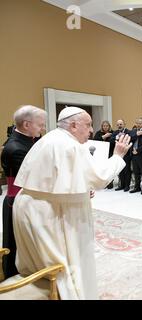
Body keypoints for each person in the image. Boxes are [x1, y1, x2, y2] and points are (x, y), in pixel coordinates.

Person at [12, 106, 131, 299]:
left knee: (41, 261)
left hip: (30, 207)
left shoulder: (50, 138)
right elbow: (100, 177)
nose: (92, 130)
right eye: (88, 125)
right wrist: (118, 156)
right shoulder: (70, 145)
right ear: (74, 125)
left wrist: (81, 188)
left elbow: (66, 179)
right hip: (50, 212)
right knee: (65, 263)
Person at [1, 105, 46, 279]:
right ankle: (13, 278)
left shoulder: (29, 141)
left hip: (30, 199)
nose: (43, 128)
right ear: (27, 125)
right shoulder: (15, 148)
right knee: (16, 244)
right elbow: (39, 178)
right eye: (40, 124)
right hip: (18, 202)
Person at [129, 118, 142, 194]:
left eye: (140, 123)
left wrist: (137, 151)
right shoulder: (134, 131)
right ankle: (137, 187)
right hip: (133, 154)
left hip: (141, 154)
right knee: (136, 171)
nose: (138, 124)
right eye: (137, 123)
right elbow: (130, 139)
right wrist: (136, 135)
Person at [111, 119, 132, 192]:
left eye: (121, 124)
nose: (119, 126)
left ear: (124, 124)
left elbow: (131, 139)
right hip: (118, 155)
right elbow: (111, 140)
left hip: (126, 154)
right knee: (120, 170)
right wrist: (117, 137)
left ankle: (127, 186)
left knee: (127, 170)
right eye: (118, 125)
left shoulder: (129, 132)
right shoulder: (115, 132)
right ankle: (122, 185)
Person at [94, 120, 114, 189]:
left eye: (107, 126)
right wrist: (103, 137)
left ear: (109, 126)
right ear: (102, 126)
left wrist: (108, 137)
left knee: (110, 169)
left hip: (110, 153)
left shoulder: (112, 132)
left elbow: (113, 142)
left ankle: (110, 183)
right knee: (102, 169)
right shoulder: (98, 133)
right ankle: (103, 183)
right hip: (101, 154)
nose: (105, 127)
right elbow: (95, 140)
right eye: (104, 126)